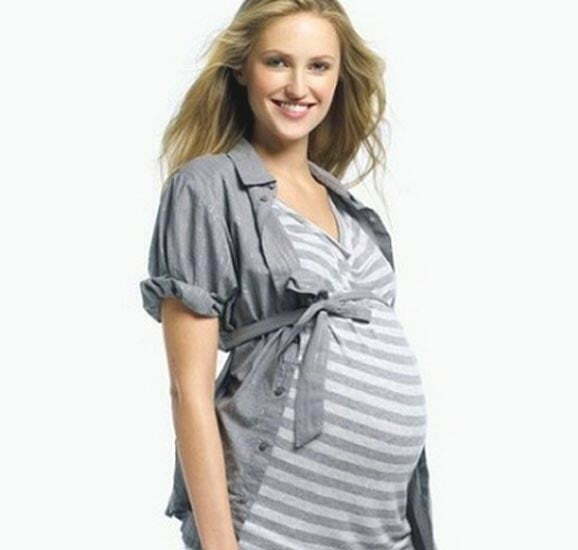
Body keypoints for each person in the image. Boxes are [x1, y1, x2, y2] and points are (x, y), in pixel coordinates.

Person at [139, 1, 437, 549]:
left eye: (318, 66)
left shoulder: (349, 208)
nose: (299, 86)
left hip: (383, 527)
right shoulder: (208, 188)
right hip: (275, 527)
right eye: (277, 62)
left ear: (339, 77)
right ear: (241, 67)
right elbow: (188, 390)